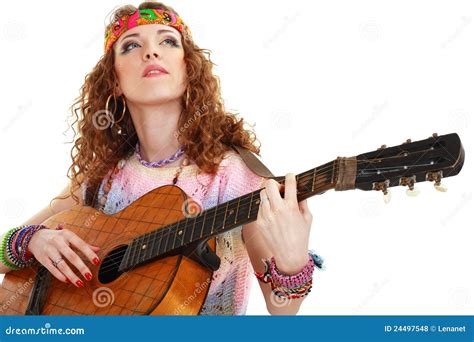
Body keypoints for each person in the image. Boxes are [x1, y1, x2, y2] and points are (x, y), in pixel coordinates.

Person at [0, 1, 322, 315]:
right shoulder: (103, 179)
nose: (151, 52)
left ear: (188, 67)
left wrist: (293, 263)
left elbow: (282, 309)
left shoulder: (233, 174)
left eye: (168, 41)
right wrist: (32, 240)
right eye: (130, 46)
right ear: (114, 80)